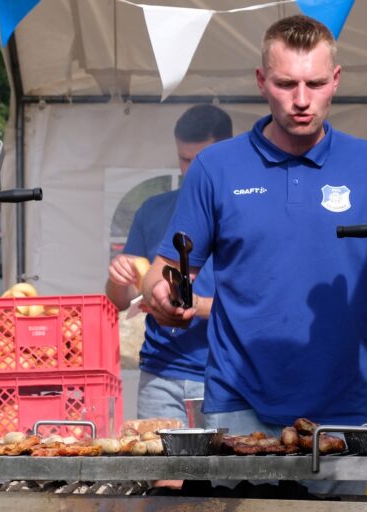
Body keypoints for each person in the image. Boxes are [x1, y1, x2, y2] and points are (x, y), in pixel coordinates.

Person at [143, 15, 367, 437]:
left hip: (343, 405)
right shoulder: (215, 167)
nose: (301, 99)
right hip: (237, 403)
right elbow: (166, 270)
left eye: (315, 84)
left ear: (336, 79)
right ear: (262, 81)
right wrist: (161, 294)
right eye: (285, 84)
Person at [106, 104, 233, 426]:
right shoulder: (153, 209)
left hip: (228, 375)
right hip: (160, 374)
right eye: (184, 159)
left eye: (201, 161)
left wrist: (195, 305)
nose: (191, 171)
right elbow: (120, 301)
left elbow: (265, 308)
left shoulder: (249, 213)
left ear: (228, 154)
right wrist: (120, 277)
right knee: (164, 475)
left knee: (227, 476)